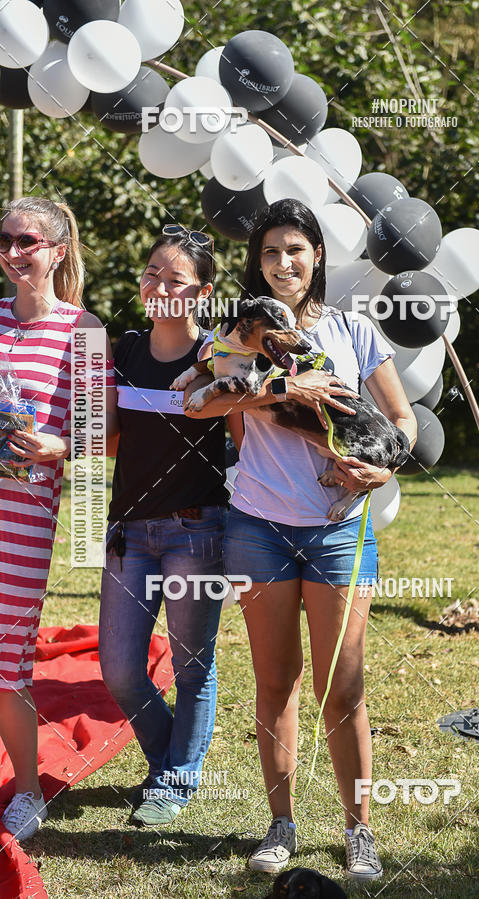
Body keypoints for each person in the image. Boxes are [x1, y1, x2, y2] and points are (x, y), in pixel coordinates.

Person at [184, 199, 417, 881]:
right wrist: (284, 382)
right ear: (255, 263)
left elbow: (400, 419)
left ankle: (359, 829)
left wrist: (385, 464)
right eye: (270, 252)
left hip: (341, 529)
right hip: (258, 523)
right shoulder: (236, 339)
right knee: (274, 681)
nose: (284, 262)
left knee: (342, 687)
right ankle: (281, 824)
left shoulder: (354, 329)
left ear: (318, 256)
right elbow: (200, 401)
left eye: (297, 249)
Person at [99, 226, 241, 827]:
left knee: (192, 667)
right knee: (121, 669)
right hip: (130, 533)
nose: (159, 285)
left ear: (202, 292)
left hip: (196, 533)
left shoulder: (217, 356)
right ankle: (169, 763)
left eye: (175, 279)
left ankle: (176, 779)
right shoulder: (123, 350)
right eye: (152, 273)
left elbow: (242, 445)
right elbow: (105, 441)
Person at [0, 196, 117, 840]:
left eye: (28, 241)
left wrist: (60, 447)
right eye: (6, 240)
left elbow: (102, 438)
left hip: (24, 515)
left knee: (7, 657)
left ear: (57, 250)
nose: (14, 252)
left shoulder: (86, 332)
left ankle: (26, 792)